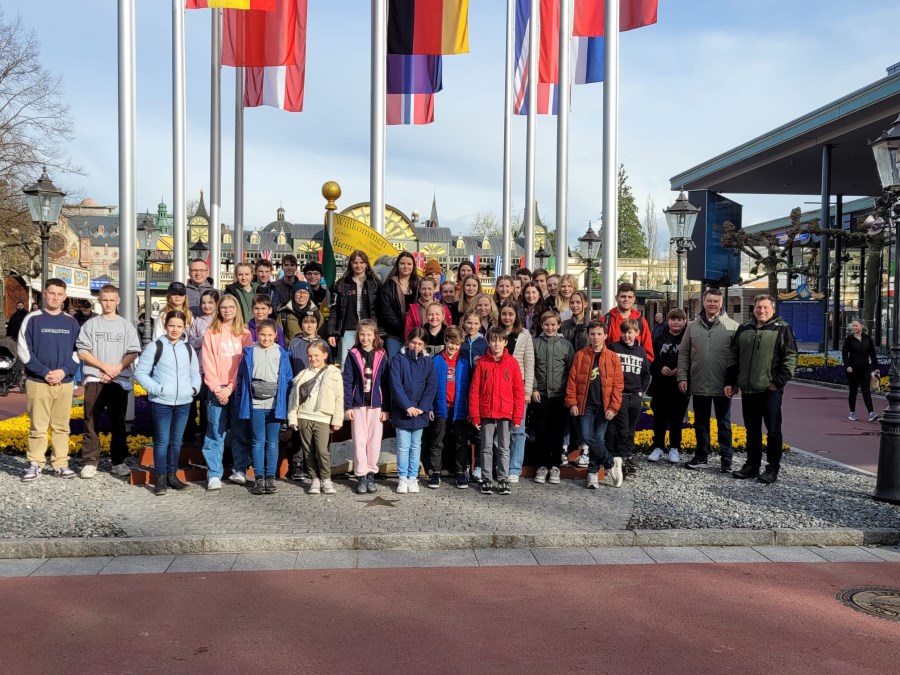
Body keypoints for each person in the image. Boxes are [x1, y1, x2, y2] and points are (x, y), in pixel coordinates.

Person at [725, 294, 797, 484]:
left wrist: (778, 382)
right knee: (752, 430)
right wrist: (732, 381)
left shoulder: (782, 328)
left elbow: (790, 357)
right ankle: (752, 465)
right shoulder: (744, 328)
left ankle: (772, 468)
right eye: (758, 307)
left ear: (773, 309)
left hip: (770, 390)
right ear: (754, 308)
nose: (761, 311)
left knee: (773, 431)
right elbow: (733, 356)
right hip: (748, 390)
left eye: (765, 307)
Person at [17, 278, 81, 481]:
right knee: (38, 426)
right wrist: (44, 372)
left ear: (65, 297)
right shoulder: (32, 319)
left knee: (62, 426)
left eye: (59, 294)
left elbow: (79, 351)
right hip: (38, 382)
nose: (55, 297)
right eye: (52, 293)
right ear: (44, 294)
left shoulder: (71, 322)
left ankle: (60, 463)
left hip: (64, 381)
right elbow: (23, 350)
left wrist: (64, 371)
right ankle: (35, 463)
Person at [76, 285, 142, 479]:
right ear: (99, 301)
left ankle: (118, 461)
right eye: (105, 300)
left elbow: (132, 352)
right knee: (91, 421)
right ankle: (90, 462)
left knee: (118, 422)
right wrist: (104, 367)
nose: (108, 303)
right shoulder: (90, 325)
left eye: (112, 300)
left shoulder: (125, 326)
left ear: (118, 301)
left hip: (118, 380)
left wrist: (116, 369)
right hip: (95, 378)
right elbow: (83, 351)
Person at [134, 310, 201, 495]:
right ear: (165, 326)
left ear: (184, 327)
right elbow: (140, 373)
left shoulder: (188, 349)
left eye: (179, 326)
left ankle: (172, 476)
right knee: (162, 441)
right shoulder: (155, 346)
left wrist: (193, 389)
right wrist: (158, 389)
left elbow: (195, 373)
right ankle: (160, 478)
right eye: (171, 325)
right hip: (161, 402)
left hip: (183, 402)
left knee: (176, 441)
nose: (175, 329)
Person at [677, 288, 739, 472]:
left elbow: (737, 357)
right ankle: (701, 456)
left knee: (724, 423)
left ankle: (726, 459)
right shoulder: (692, 326)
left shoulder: (733, 327)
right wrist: (682, 376)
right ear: (703, 302)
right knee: (701, 423)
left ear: (721, 303)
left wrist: (734, 382)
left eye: (716, 301)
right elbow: (684, 353)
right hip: (699, 382)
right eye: (709, 301)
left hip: (723, 385)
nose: (712, 304)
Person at [200, 295, 253, 490]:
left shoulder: (245, 334)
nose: (227, 310)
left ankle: (240, 469)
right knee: (215, 432)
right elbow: (208, 363)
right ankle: (214, 473)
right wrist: (217, 389)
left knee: (240, 431)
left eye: (231, 307)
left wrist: (230, 388)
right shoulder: (211, 333)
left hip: (237, 389)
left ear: (237, 309)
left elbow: (244, 364)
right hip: (217, 389)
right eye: (223, 307)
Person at [236, 319, 293, 495]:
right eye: (262, 334)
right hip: (255, 404)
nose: (266, 338)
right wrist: (240, 402)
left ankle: (270, 477)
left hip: (275, 405)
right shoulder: (249, 352)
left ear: (276, 335)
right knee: (258, 441)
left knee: (272, 441)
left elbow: (288, 379)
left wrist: (285, 404)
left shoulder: (282, 353)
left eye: (270, 335)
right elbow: (241, 379)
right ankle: (259, 477)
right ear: (257, 334)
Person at [566, 321, 624, 488]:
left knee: (598, 438)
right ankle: (610, 462)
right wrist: (572, 402)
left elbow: (618, 385)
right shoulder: (581, 355)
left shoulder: (612, 357)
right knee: (586, 436)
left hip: (604, 405)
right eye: (592, 334)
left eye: (599, 334)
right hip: (586, 404)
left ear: (605, 335)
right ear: (588, 336)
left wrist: (613, 407)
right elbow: (572, 380)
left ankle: (592, 473)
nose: (596, 337)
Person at [469, 326, 525, 496]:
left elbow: (518, 391)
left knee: (504, 447)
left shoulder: (512, 363)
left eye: (500, 340)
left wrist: (518, 416)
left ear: (505, 342)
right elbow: (475, 390)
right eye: (493, 340)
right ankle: (486, 478)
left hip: (505, 412)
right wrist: (475, 415)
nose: (496, 344)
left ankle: (503, 479)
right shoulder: (482, 363)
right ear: (488, 342)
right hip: (486, 411)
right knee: (486, 447)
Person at [288, 339, 344, 495]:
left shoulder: (333, 373)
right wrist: (292, 417)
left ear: (325, 355)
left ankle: (326, 479)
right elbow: (294, 398)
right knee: (308, 451)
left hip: (323, 417)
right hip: (304, 416)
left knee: (322, 451)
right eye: (310, 356)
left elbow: (339, 397)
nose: (313, 359)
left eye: (316, 355)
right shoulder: (303, 374)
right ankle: (314, 479)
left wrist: (337, 419)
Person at [344, 319, 390, 494]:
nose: (365, 338)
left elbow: (385, 383)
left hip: (376, 404)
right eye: (362, 334)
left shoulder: (381, 355)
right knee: (360, 440)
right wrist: (348, 406)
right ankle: (361, 474)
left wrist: (386, 408)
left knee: (374, 441)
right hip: (358, 404)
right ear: (358, 336)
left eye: (368, 334)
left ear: (375, 335)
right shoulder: (353, 354)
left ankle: (371, 473)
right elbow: (347, 381)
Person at [389, 327, 437, 494]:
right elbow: (396, 385)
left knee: (416, 446)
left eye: (420, 344)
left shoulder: (428, 362)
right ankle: (402, 477)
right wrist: (407, 406)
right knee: (403, 446)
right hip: (403, 411)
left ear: (424, 345)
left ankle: (412, 477)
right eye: (413, 342)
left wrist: (422, 407)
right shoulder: (398, 359)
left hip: (419, 412)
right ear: (408, 341)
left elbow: (431, 386)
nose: (416, 346)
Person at [531, 310, 574, 485]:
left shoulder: (566, 345)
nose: (550, 328)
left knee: (557, 432)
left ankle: (555, 465)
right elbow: (531, 367)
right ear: (542, 325)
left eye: (553, 325)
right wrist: (534, 388)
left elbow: (570, 370)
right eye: (546, 325)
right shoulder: (535, 343)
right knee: (541, 431)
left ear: (558, 325)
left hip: (559, 396)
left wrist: (566, 392)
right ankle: (542, 465)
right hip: (540, 395)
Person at [606, 319, 651, 485]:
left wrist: (640, 391)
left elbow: (645, 374)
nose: (626, 336)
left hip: (635, 396)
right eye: (624, 332)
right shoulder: (614, 348)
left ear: (637, 333)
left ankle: (627, 457)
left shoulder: (641, 351)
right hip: (620, 395)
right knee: (622, 429)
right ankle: (620, 458)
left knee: (630, 430)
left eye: (630, 332)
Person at [428, 326, 469, 489]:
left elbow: (469, 386)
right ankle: (435, 472)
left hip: (459, 408)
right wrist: (430, 406)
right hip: (441, 405)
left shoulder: (464, 361)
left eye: (457, 344)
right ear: (445, 341)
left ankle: (460, 472)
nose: (453, 347)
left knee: (460, 442)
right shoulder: (436, 360)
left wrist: (469, 408)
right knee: (437, 440)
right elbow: (430, 386)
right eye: (451, 343)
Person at [647, 309, 689, 465]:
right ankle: (657, 446)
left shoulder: (688, 338)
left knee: (677, 418)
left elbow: (692, 359)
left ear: (684, 321)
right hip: (660, 384)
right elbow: (651, 361)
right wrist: (660, 368)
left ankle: (674, 448)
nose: (676, 322)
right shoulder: (658, 338)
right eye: (673, 319)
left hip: (678, 385)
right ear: (668, 320)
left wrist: (681, 370)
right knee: (659, 417)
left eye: (679, 319)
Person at [498, 305, 534, 483]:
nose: (507, 317)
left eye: (510, 314)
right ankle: (501, 466)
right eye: (504, 314)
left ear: (516, 316)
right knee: (500, 429)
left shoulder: (524, 335)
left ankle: (514, 468)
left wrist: (528, 391)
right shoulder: (495, 332)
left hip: (518, 386)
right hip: (499, 386)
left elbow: (529, 363)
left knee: (518, 429)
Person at [326, 250, 379, 365]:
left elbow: (379, 310)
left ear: (366, 264)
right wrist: (331, 333)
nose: (358, 266)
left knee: (367, 365)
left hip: (368, 331)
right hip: (349, 330)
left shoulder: (374, 283)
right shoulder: (342, 283)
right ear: (350, 264)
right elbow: (335, 310)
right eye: (355, 262)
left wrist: (380, 332)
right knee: (347, 364)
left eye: (361, 262)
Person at [187, 289, 220, 440]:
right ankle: (195, 431)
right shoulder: (198, 321)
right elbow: (191, 342)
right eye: (203, 303)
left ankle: (210, 432)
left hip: (217, 368)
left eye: (210, 303)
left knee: (211, 402)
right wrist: (205, 338)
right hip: (200, 366)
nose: (206, 306)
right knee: (198, 399)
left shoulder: (221, 320)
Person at [377, 251, 418, 358]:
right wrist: (404, 326)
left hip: (415, 334)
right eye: (402, 263)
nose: (406, 266)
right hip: (394, 334)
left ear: (413, 266)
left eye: (409, 264)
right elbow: (386, 311)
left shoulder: (418, 285)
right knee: (395, 362)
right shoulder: (388, 286)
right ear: (397, 265)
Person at [604, 282, 654, 361]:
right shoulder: (606, 320)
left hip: (635, 367)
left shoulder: (641, 321)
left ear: (634, 299)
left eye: (629, 297)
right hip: (611, 366)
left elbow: (648, 352)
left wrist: (643, 366)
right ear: (616, 298)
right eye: (623, 296)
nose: (626, 300)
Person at [842, 320, 879, 421]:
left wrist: (876, 368)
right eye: (853, 325)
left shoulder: (868, 338)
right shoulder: (849, 339)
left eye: (856, 325)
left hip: (865, 369)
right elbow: (844, 353)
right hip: (852, 370)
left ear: (862, 326)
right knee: (853, 391)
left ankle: (871, 413)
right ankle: (852, 413)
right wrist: (847, 366)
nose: (854, 327)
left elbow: (873, 354)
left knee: (866, 391)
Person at [302, 261, 331, 326]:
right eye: (309, 273)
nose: (312, 276)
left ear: (321, 276)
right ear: (305, 276)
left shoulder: (327, 295)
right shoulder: (301, 294)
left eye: (316, 273)